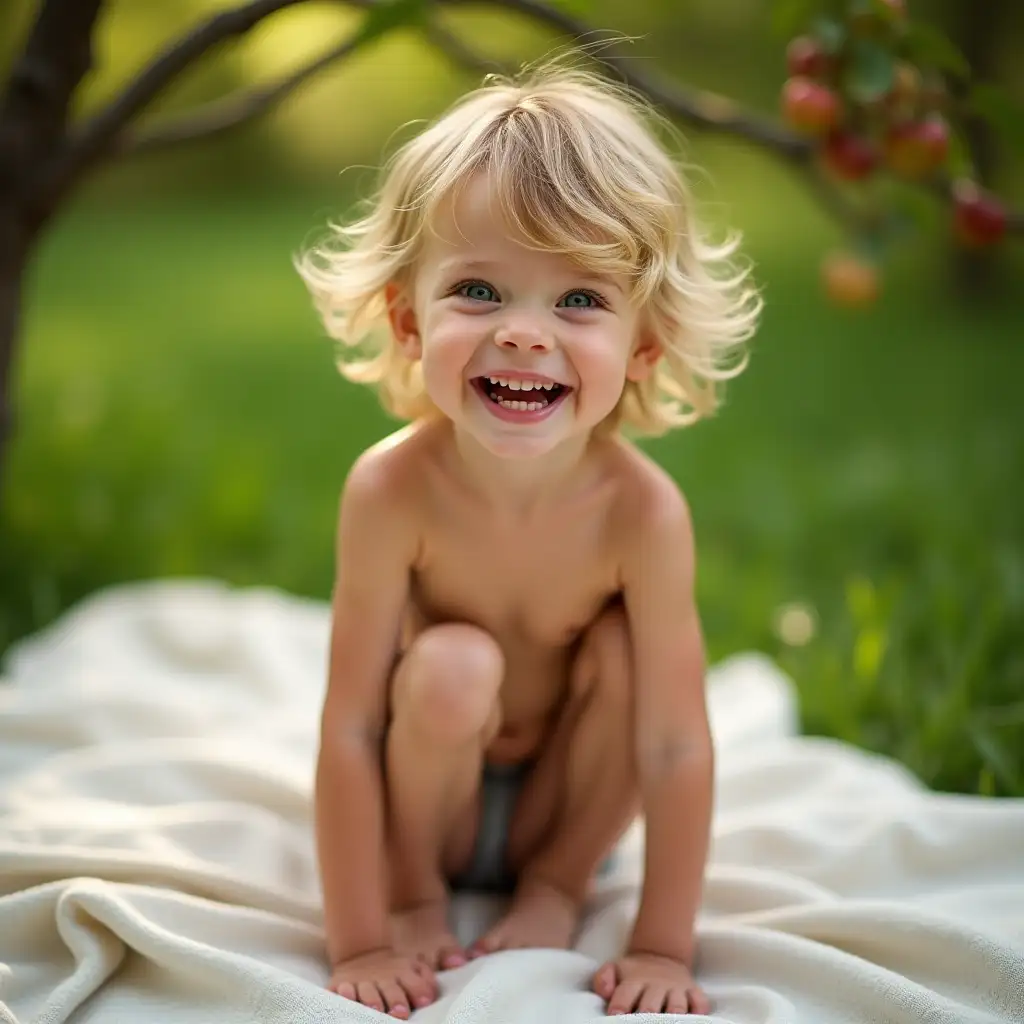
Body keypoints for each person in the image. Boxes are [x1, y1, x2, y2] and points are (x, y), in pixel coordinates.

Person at [296, 56, 761, 1019]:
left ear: (642, 346)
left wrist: (664, 950)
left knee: (636, 657)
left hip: (571, 811)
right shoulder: (390, 490)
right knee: (452, 663)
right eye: (478, 291)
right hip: (433, 807)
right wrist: (366, 937)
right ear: (406, 318)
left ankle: (552, 891)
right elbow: (349, 725)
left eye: (579, 300)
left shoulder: (642, 513)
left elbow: (674, 743)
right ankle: (427, 891)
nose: (523, 334)